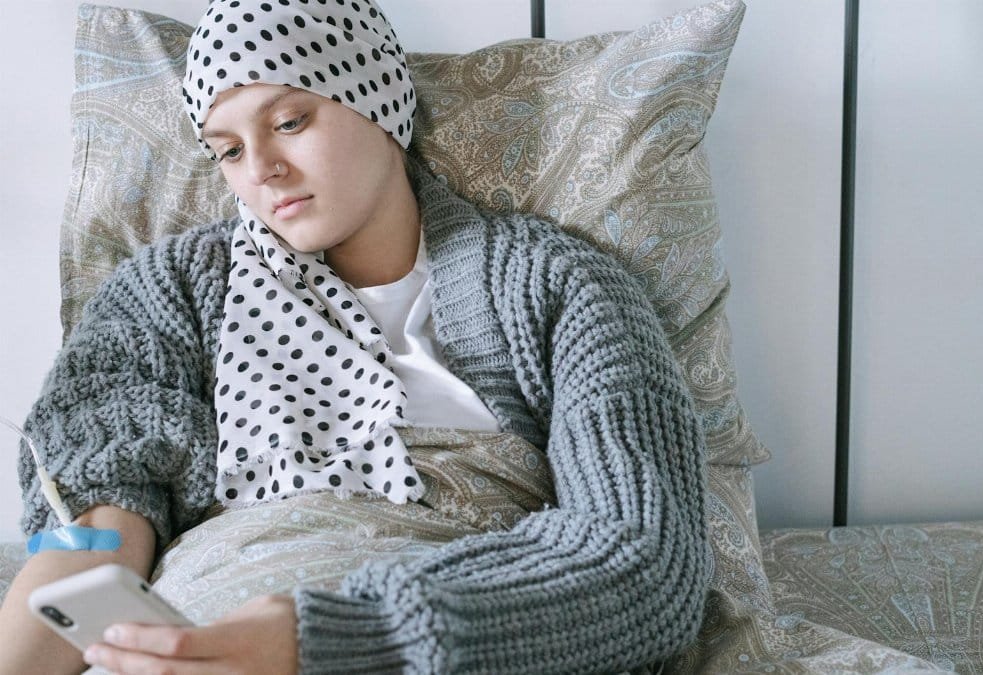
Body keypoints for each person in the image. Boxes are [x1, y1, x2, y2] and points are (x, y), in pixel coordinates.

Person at [0, 1, 709, 673]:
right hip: (205, 620)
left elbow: (643, 560)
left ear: (379, 99)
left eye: (290, 121)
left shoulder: (554, 285)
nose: (260, 169)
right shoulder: (171, 292)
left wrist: (334, 638)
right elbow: (89, 538)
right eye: (227, 150)